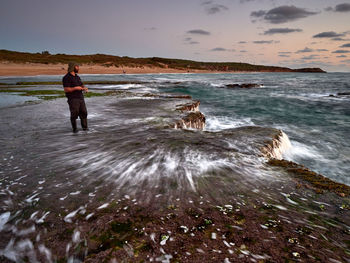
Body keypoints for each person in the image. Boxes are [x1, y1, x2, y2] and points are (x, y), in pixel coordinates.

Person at [62, 62, 89, 133]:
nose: (78, 68)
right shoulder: (66, 77)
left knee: (84, 112)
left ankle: (85, 129)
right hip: (73, 98)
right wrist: (75, 88)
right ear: (73, 67)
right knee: (74, 113)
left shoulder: (77, 77)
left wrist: (84, 88)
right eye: (77, 66)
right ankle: (75, 130)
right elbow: (66, 89)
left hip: (80, 97)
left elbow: (81, 85)